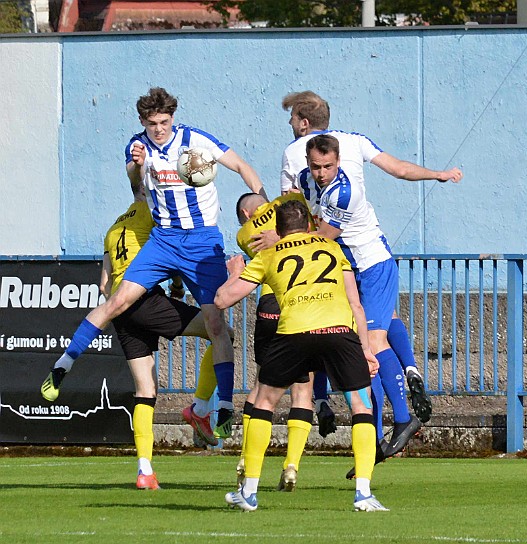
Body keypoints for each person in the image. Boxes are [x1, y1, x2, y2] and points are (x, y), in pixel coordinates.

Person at [41, 87, 266, 441]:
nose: (158, 128)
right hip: (163, 240)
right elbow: (135, 185)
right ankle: (61, 367)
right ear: (143, 121)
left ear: (172, 118)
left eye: (163, 122)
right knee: (116, 301)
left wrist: (263, 205)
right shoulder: (137, 146)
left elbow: (241, 166)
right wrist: (139, 165)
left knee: (215, 324)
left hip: (201, 241)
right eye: (152, 123)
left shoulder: (194, 140)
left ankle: (223, 406)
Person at [270, 91, 461, 456]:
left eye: (326, 167)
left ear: (336, 160)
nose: (321, 173)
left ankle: (403, 418)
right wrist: (436, 174)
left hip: (371, 263)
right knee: (359, 340)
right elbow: (398, 169)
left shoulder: (343, 192)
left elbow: (322, 235)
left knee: (371, 343)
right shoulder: (320, 166)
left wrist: (278, 243)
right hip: (345, 267)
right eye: (315, 167)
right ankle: (373, 438)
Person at [215, 199, 386, 512]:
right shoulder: (332, 249)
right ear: (309, 225)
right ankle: (363, 493)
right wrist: (365, 349)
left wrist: (235, 271)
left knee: (264, 402)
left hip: (293, 332)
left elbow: (223, 299)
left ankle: (249, 491)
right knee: (362, 405)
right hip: (338, 332)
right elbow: (356, 304)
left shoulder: (268, 254)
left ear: (278, 230)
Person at [101, 183, 227, 489]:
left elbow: (104, 284)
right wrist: (179, 287)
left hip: (118, 306)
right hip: (146, 300)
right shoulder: (153, 212)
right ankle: (199, 409)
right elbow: (172, 251)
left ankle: (145, 471)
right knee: (223, 334)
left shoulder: (114, 226)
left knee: (145, 391)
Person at [233, 191, 340, 492]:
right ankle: (291, 465)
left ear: (244, 214)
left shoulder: (245, 234)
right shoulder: (292, 201)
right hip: (300, 307)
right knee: (302, 391)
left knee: (261, 387)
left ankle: (246, 457)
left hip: (269, 305)